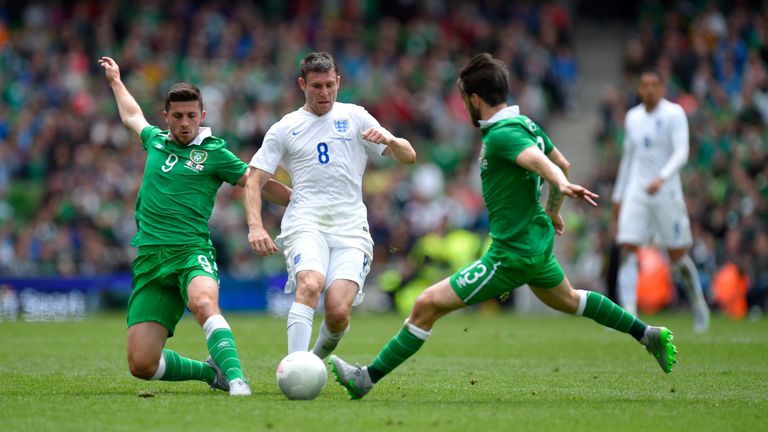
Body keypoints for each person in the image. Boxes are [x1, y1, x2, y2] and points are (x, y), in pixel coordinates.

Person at [328, 53, 678, 400]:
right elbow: (563, 162)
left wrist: (559, 184)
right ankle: (646, 333)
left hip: (509, 254)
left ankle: (365, 379)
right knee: (571, 300)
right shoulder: (526, 124)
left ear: (474, 99)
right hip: (535, 243)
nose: (464, 105)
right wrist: (554, 210)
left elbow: (544, 163)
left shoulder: (501, 135)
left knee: (425, 305)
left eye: (465, 98)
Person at [98, 56, 291, 396]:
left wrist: (301, 200)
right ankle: (209, 371)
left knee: (203, 304)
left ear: (202, 116)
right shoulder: (155, 140)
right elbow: (131, 115)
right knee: (141, 365)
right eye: (178, 116)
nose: (185, 123)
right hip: (150, 260)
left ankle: (237, 380)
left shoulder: (214, 152)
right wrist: (115, 80)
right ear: (167, 117)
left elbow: (255, 180)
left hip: (191, 252)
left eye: (191, 115)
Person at [243, 51, 416, 360]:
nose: (324, 93)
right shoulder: (285, 127)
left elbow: (408, 156)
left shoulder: (356, 116)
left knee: (337, 312)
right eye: (316, 86)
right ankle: (294, 367)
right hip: (305, 223)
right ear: (302, 85)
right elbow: (254, 181)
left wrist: (390, 140)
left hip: (351, 228)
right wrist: (255, 225)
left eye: (329, 85)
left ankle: (311, 363)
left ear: (338, 82)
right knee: (310, 285)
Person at [612, 68, 710, 333]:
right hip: (637, 193)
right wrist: (618, 196)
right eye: (644, 85)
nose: (649, 90)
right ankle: (628, 314)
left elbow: (682, 152)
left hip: (666, 193)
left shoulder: (674, 114)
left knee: (677, 257)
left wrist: (662, 177)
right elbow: (628, 159)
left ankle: (698, 305)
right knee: (628, 250)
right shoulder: (633, 117)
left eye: (654, 84)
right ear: (639, 89)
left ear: (662, 87)